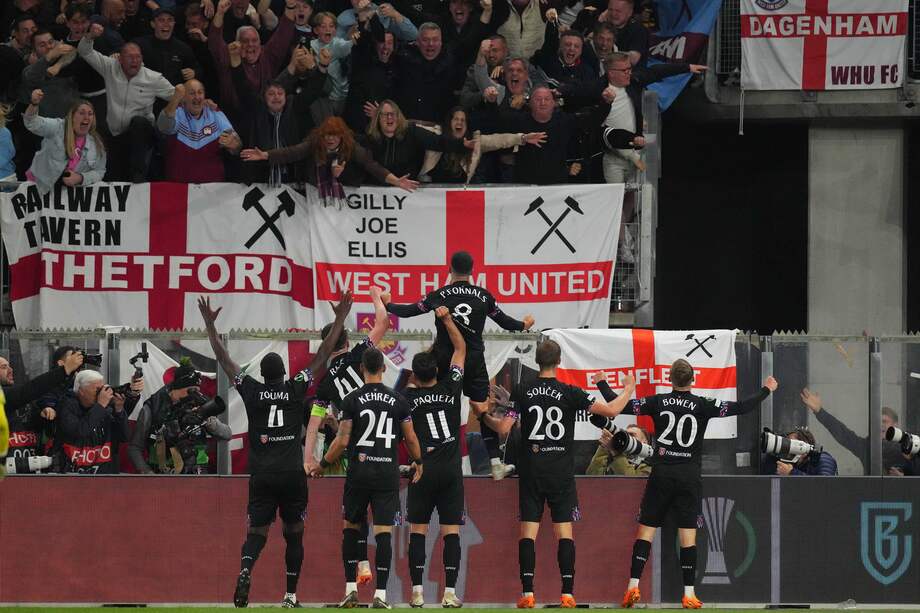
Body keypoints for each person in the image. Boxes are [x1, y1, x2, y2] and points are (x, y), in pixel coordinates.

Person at [199, 292, 352, 609]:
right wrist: (340, 317)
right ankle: (291, 595)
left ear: (262, 375)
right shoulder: (296, 387)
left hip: (262, 474)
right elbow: (324, 353)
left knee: (256, 531)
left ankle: (245, 569)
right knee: (294, 534)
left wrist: (210, 326)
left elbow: (224, 359)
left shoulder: (251, 389)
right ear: (282, 373)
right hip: (292, 473)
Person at [601, 359, 778, 609]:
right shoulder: (703, 405)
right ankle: (689, 593)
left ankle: (632, 586)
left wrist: (601, 382)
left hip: (661, 474)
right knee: (688, 536)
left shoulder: (657, 401)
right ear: (692, 380)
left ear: (670, 379)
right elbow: (741, 407)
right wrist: (766, 389)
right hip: (688, 477)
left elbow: (618, 405)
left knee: (646, 532)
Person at [383, 250, 535, 480]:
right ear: (472, 271)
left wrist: (388, 304)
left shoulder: (438, 295)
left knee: (442, 406)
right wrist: (524, 325)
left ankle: (430, 459)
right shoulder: (484, 296)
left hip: (446, 359)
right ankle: (496, 464)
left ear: (450, 270)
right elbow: (506, 323)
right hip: (474, 359)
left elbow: (409, 311)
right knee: (481, 409)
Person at [513, 340, 635, 608]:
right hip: (560, 471)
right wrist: (628, 389)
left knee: (528, 533)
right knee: (564, 532)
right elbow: (613, 410)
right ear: (559, 361)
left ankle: (527, 594)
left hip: (532, 470)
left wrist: (487, 412)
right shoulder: (570, 392)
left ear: (536, 360)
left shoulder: (522, 390)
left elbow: (502, 425)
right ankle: (567, 593)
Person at [313, 346, 424, 609]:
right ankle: (381, 595)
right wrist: (419, 462)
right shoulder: (398, 400)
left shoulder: (352, 400)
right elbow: (410, 438)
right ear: (384, 369)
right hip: (386, 473)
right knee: (383, 532)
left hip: (359, 473)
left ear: (362, 368)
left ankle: (351, 590)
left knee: (351, 527)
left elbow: (341, 441)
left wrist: (323, 464)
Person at [305, 285, 390, 587]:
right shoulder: (360, 354)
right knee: (382, 516)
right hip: (382, 438)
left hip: (353, 444)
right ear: (347, 340)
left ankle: (361, 566)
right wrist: (376, 298)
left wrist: (310, 459)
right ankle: (380, 587)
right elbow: (383, 323)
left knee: (354, 512)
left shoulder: (325, 383)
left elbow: (314, 423)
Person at [403, 306, 467, 608]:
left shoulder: (408, 398)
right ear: (438, 372)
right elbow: (460, 347)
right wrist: (446, 320)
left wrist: (412, 383)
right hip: (451, 472)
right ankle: (450, 593)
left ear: (415, 374)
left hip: (422, 471)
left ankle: (417, 591)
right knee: (451, 531)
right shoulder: (451, 388)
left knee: (417, 530)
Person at [240, 116, 420, 203]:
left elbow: (372, 167)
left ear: (342, 136)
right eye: (327, 135)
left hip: (347, 197)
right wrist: (266, 155)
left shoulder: (353, 149)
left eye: (334, 135)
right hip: (316, 195)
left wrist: (396, 181)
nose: (330, 139)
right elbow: (292, 152)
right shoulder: (314, 144)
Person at [78, 23, 175, 181]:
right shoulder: (110, 67)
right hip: (116, 134)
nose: (134, 61)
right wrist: (89, 37)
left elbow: (176, 94)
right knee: (114, 174)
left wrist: (203, 101)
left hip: (142, 135)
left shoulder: (153, 78)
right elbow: (84, 51)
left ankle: (138, 175)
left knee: (139, 122)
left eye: (138, 57)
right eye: (130, 57)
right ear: (120, 59)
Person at [127, 360, 229, 474]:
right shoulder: (153, 407)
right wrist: (148, 473)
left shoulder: (199, 404)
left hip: (198, 476)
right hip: (164, 475)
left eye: (197, 391)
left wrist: (209, 421)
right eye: (190, 391)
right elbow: (134, 448)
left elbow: (226, 434)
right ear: (176, 389)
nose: (194, 396)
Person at [417, 105, 546, 184]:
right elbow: (415, 127)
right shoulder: (436, 134)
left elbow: (499, 140)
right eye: (456, 119)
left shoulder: (475, 142)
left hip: (459, 195)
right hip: (430, 194)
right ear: (449, 122)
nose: (459, 123)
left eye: (463, 120)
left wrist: (522, 138)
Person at [2, 349, 85, 469]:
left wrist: (41, 414)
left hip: (33, 467)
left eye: (10, 366)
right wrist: (64, 370)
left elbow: (30, 422)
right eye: (4, 367)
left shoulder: (23, 399)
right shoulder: (9, 396)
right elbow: (30, 389)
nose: (11, 370)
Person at [362, 99, 471, 183]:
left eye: (393, 114)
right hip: (378, 190)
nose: (389, 117)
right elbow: (369, 164)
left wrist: (462, 144)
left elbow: (438, 142)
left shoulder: (411, 131)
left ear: (398, 116)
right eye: (385, 115)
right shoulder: (371, 137)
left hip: (410, 190)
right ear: (378, 118)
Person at [801, 388, 905, 474]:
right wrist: (819, 411)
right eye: (877, 422)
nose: (881, 425)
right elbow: (843, 434)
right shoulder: (867, 447)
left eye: (885, 421)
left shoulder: (907, 447)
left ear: (895, 425)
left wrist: (904, 479)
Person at [23, 89, 106, 194]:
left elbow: (100, 171)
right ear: (72, 116)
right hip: (38, 188)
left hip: (66, 196)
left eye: (90, 114)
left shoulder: (96, 143)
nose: (86, 117)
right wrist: (34, 104)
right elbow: (32, 123)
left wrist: (80, 178)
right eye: (82, 113)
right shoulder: (57, 127)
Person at [157, 80, 241, 182]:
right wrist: (175, 99)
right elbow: (163, 126)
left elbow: (237, 146)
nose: (197, 97)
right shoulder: (177, 112)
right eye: (192, 93)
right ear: (183, 98)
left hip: (212, 187)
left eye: (200, 92)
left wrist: (234, 144)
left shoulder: (214, 112)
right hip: (179, 188)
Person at [56, 369, 131, 474]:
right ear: (81, 390)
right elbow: (80, 431)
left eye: (102, 389)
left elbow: (125, 437)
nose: (101, 394)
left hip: (105, 478)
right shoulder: (66, 407)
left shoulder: (105, 408)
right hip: (73, 478)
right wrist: (100, 406)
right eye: (97, 390)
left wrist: (119, 410)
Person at [133, 7, 201, 86]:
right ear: (153, 24)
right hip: (147, 94)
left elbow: (198, 68)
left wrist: (194, 73)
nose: (166, 24)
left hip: (174, 95)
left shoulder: (183, 48)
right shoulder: (140, 44)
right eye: (161, 20)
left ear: (174, 23)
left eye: (170, 20)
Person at [761, 426, 838, 476]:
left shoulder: (823, 459)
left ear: (804, 448)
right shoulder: (792, 462)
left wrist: (791, 473)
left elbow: (825, 486)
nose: (787, 448)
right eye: (787, 442)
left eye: (791, 444)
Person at [585, 423, 651, 476]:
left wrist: (617, 454)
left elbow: (631, 483)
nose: (627, 439)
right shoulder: (612, 457)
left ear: (644, 442)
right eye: (626, 436)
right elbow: (591, 477)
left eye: (632, 435)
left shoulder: (650, 463)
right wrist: (604, 447)